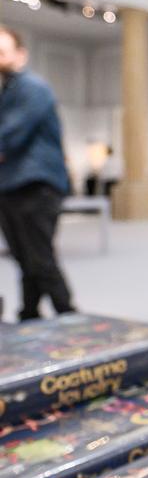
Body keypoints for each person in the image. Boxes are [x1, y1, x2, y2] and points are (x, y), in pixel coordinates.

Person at [0, 26, 75, 320]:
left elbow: (10, 136)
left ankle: (69, 316)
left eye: (3, 52)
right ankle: (29, 314)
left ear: (21, 54)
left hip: (35, 187)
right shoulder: (8, 92)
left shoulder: (32, 88)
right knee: (25, 259)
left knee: (40, 258)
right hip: (11, 186)